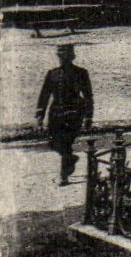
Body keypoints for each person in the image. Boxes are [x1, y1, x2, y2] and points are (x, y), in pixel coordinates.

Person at [36, 43, 93, 185]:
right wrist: (40, 115)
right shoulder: (52, 73)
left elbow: (88, 96)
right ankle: (71, 159)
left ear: (71, 57)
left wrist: (88, 116)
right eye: (60, 56)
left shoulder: (81, 73)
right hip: (55, 113)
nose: (62, 59)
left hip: (74, 113)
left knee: (66, 143)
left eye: (65, 56)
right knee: (54, 143)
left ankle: (63, 176)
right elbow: (45, 94)